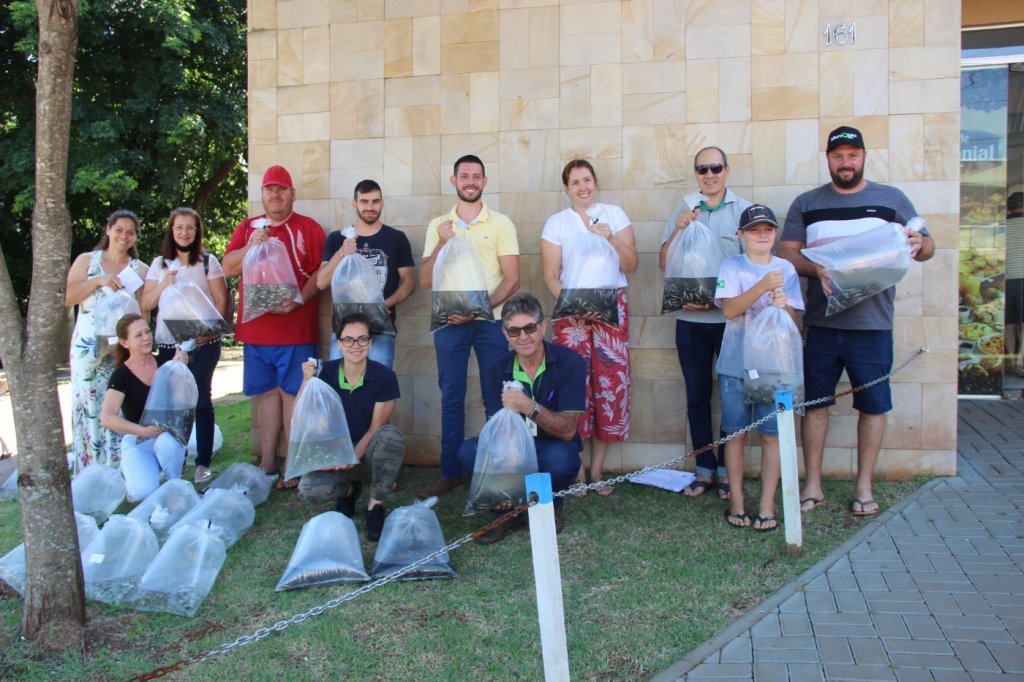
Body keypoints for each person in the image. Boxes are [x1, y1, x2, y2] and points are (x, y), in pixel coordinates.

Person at [779, 125, 935, 517]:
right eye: (837, 156)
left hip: (873, 326)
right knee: (815, 405)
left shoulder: (891, 200)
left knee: (873, 406)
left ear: (864, 156)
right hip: (821, 324)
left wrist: (920, 244)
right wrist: (818, 270)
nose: (845, 162)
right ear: (828, 159)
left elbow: (927, 244)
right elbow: (787, 255)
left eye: (852, 155)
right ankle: (812, 485)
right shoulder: (807, 203)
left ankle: (863, 486)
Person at [418, 155, 521, 499]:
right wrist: (443, 242)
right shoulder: (438, 225)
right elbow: (425, 280)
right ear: (454, 181)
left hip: (490, 323)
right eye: (465, 176)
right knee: (452, 397)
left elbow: (513, 279)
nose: (471, 181)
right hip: (449, 325)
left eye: (477, 176)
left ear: (485, 181)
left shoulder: (501, 223)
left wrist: (479, 310)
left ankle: (499, 469)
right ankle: (451, 472)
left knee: (496, 396)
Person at [222, 165, 327, 489]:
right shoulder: (247, 227)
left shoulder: (308, 228)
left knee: (293, 395)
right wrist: (253, 244)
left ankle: (293, 465)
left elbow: (319, 277)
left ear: (292, 194)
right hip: (257, 332)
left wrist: (296, 301)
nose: (276, 194)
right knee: (266, 396)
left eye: (282, 189)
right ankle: (268, 460)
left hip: (296, 330)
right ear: (263, 195)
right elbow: (228, 267)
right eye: (270, 189)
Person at [660, 147, 752, 501]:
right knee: (696, 396)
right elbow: (664, 263)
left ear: (727, 170)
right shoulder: (684, 210)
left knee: (733, 398)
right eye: (702, 169)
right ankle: (704, 468)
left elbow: (752, 265)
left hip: (730, 320)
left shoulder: (743, 211)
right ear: (696, 173)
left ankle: (730, 470)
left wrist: (720, 299)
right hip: (689, 321)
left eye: (715, 167)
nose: (709, 174)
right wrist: (678, 231)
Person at [540, 159, 636, 496]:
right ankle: (577, 468)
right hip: (571, 316)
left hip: (612, 309)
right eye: (576, 182)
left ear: (596, 182)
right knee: (573, 388)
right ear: (566, 188)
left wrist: (611, 237)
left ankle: (599, 470)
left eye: (588, 179)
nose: (583, 187)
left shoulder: (614, 214)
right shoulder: (557, 223)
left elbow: (631, 264)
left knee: (610, 385)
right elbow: (551, 275)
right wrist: (574, 308)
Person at [458, 292, 585, 544]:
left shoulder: (570, 362)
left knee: (563, 458)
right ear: (505, 334)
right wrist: (504, 477)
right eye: (514, 331)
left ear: (543, 327)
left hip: (551, 445)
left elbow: (569, 431)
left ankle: (551, 504)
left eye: (529, 328)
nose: (523, 337)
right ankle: (507, 511)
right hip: (512, 447)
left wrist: (529, 406)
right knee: (468, 452)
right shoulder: (496, 369)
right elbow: (498, 433)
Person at [715, 205, 804, 531]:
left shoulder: (787, 269)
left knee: (771, 436)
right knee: (736, 435)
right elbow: (729, 310)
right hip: (736, 365)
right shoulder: (731, 265)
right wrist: (763, 286)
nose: (762, 235)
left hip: (775, 367)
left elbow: (792, 318)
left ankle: (767, 505)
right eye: (754, 230)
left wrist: (785, 306)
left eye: (768, 229)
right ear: (741, 235)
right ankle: (737, 501)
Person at [297, 313, 405, 542]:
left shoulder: (385, 376)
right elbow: (301, 416)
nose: (355, 346)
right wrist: (306, 382)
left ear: (370, 343)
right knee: (310, 490)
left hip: (366, 454)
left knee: (391, 436)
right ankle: (348, 492)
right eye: (348, 339)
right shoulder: (323, 373)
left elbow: (377, 426)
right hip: (335, 453)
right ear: (339, 343)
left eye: (362, 339)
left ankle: (375, 506)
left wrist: (354, 455)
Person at [140, 208, 230, 484]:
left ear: (197, 231)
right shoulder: (159, 264)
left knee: (201, 397)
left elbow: (220, 300)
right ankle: (169, 459)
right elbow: (146, 304)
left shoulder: (208, 262)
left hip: (204, 342)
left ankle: (202, 461)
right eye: (179, 227)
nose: (184, 232)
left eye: (190, 227)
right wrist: (164, 282)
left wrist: (206, 333)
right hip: (170, 343)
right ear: (171, 230)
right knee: (169, 403)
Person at [66, 209, 149, 474]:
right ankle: (91, 470)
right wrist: (98, 281)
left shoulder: (140, 269)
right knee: (89, 406)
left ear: (135, 237)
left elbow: (144, 311)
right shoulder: (86, 261)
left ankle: (121, 468)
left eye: (130, 232)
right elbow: (67, 297)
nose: (124, 236)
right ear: (108, 230)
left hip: (120, 349)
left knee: (120, 405)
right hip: (88, 347)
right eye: (119, 230)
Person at [315, 179, 415, 368]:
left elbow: (409, 281)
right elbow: (321, 282)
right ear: (354, 203)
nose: (370, 207)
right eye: (364, 201)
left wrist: (387, 304)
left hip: (380, 330)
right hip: (343, 332)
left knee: (381, 388)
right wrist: (341, 253)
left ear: (382, 203)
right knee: (340, 389)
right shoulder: (337, 239)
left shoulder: (396, 239)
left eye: (375, 201)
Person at [99, 313, 188, 502]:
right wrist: (144, 431)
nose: (147, 337)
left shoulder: (166, 362)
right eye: (138, 335)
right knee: (143, 492)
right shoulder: (121, 375)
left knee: (167, 444)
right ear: (125, 343)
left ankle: (175, 484)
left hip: (168, 434)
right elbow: (107, 417)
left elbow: (183, 403)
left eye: (147, 331)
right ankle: (135, 470)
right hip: (139, 438)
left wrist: (182, 370)